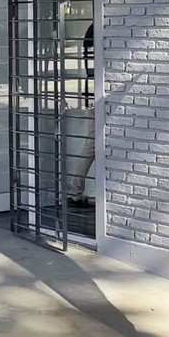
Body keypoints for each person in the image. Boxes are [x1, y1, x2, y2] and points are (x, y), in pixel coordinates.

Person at [67, 23, 96, 205]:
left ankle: (76, 190)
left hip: (92, 91)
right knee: (92, 143)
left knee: (92, 143)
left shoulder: (91, 31)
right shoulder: (98, 30)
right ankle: (75, 190)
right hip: (97, 93)